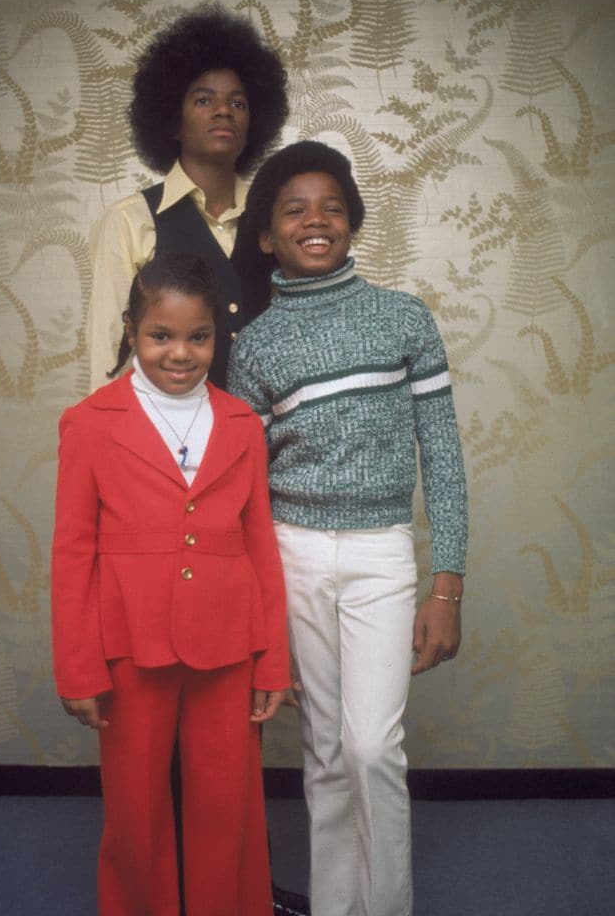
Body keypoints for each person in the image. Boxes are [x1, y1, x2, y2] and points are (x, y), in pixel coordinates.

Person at [227, 141, 469, 916]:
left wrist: (448, 585)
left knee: (371, 749)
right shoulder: (255, 346)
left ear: (353, 222)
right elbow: (247, 491)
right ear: (266, 236)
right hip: (291, 555)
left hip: (380, 554)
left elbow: (444, 455)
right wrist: (262, 617)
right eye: (293, 210)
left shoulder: (402, 317)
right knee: (326, 755)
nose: (315, 221)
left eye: (331, 206)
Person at [52, 253, 291, 916]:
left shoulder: (241, 424)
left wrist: (271, 659)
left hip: (227, 644)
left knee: (227, 808)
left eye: (198, 337)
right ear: (131, 330)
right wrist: (78, 668)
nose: (180, 353)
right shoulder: (90, 423)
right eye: (161, 335)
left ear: (218, 337)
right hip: (128, 646)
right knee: (135, 814)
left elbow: (259, 548)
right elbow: (71, 553)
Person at [86, 2, 289, 393]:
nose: (223, 112)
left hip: (266, 437)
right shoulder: (130, 221)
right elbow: (108, 355)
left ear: (254, 123)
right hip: (168, 440)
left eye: (238, 103)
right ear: (171, 120)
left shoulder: (274, 218)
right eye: (203, 100)